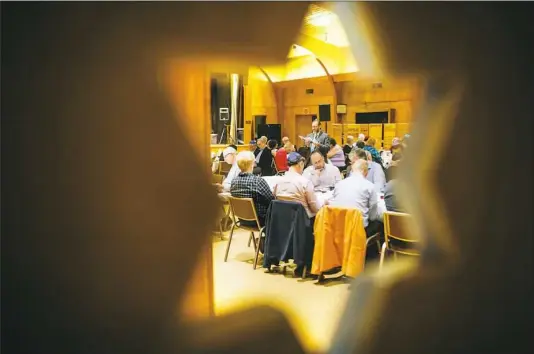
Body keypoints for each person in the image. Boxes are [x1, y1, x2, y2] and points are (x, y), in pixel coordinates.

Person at [328, 159, 384, 237]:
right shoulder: (369, 186)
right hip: (358, 230)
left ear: (352, 170)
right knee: (380, 223)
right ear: (366, 172)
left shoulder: (339, 184)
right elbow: (372, 216)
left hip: (338, 227)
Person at [230, 151, 274, 227]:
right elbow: (271, 200)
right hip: (260, 221)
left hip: (241, 219)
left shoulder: (233, 182)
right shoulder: (257, 181)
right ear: (252, 164)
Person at [273, 152, 320, 219]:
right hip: (304, 223)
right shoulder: (305, 183)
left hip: (283, 221)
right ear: (301, 164)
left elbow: (275, 199)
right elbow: (314, 208)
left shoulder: (277, 182)